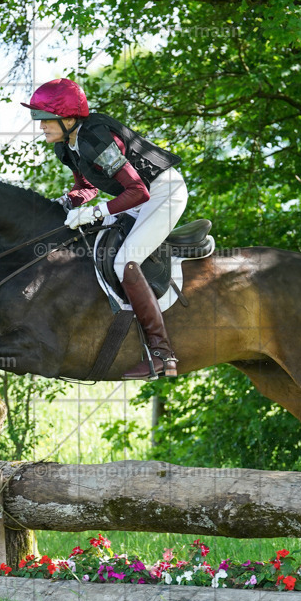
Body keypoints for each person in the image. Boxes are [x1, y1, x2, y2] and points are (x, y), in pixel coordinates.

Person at [23, 78, 187, 379]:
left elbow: (138, 191)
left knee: (125, 261)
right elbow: (87, 187)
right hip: (135, 198)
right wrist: (67, 202)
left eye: (44, 118)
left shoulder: (95, 137)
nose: (40, 125)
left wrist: (95, 212)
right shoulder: (65, 147)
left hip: (163, 192)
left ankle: (162, 354)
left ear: (68, 118)